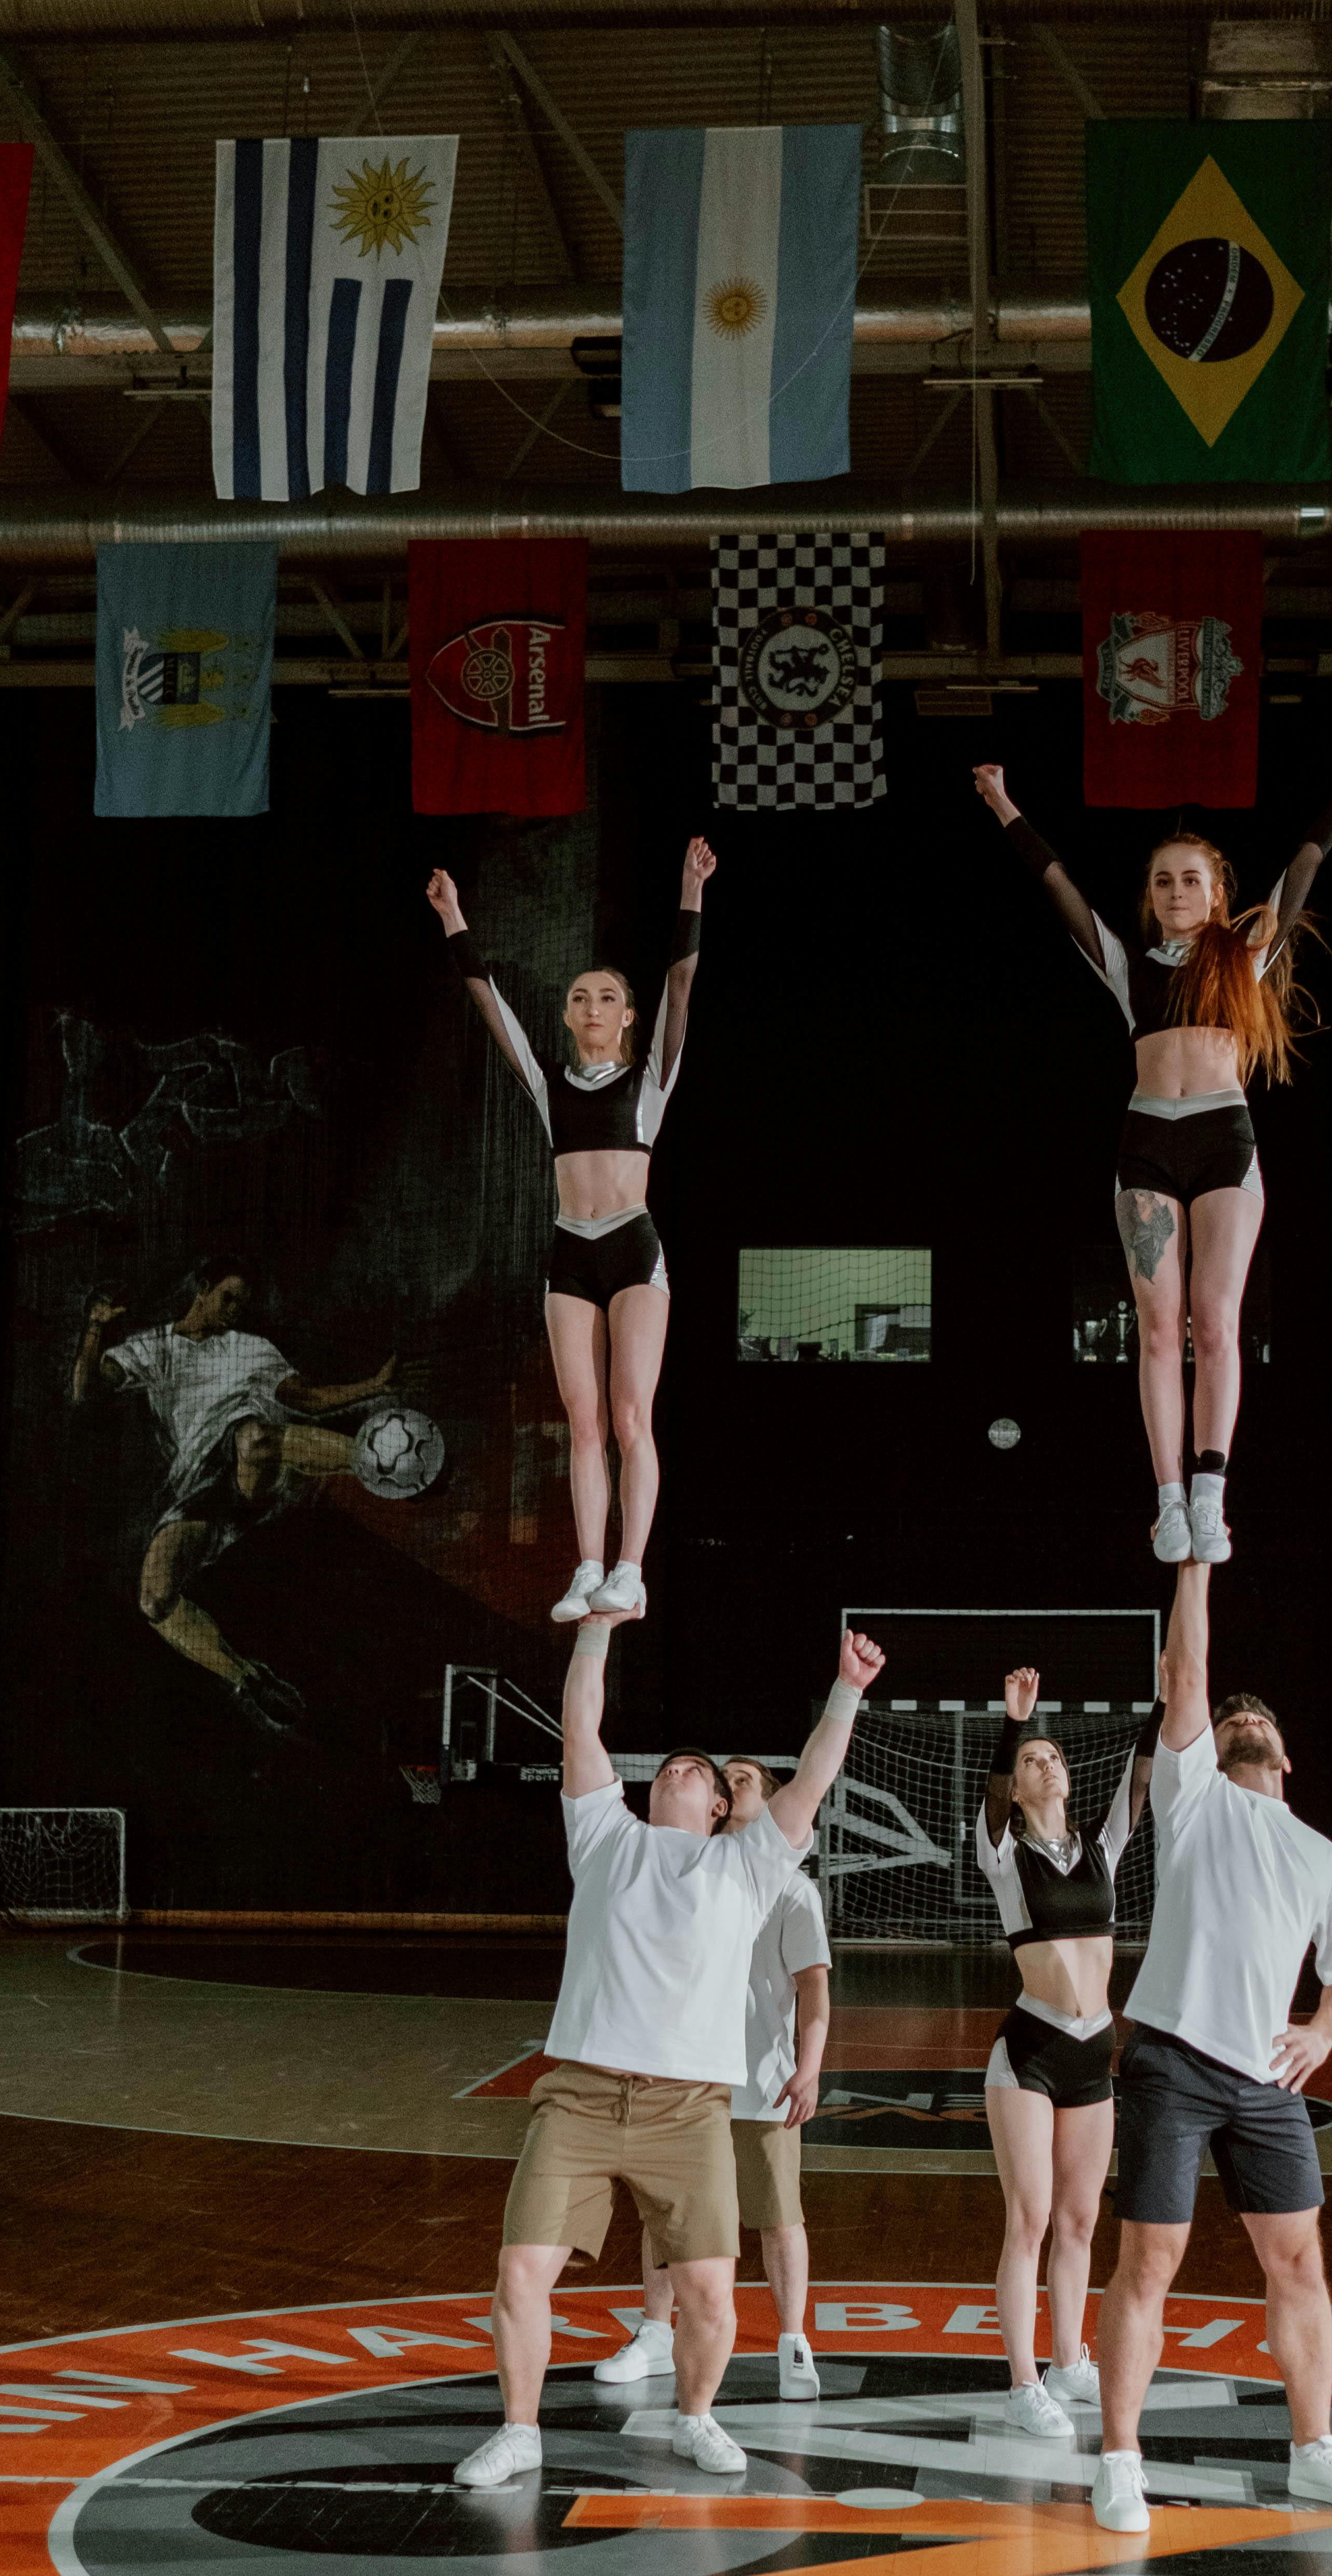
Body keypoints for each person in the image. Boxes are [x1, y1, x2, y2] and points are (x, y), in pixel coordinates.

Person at [455, 1627, 885, 2491]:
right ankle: (520, 2430)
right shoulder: (604, 1838)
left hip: (690, 2108)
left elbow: (812, 1781)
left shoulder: (749, 1867)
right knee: (519, 2272)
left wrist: (847, 1690)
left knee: (712, 2293)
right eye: (670, 1768)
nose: (679, 1773)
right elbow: (582, 1728)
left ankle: (696, 2418)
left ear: (722, 1806)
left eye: (698, 1772)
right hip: (577, 2096)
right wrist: (595, 1632)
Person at [974, 743, 1332, 1565]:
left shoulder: (1246, 954)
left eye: (1191, 878)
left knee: (1217, 1322)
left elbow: (1304, 866)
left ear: (1217, 891)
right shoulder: (1128, 965)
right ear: (1151, 897)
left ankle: (1210, 1494)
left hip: (1224, 1141)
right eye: (1163, 880)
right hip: (1149, 1144)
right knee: (1160, 1332)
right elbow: (1058, 888)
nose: (1176, 891)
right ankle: (1166, 1501)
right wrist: (1002, 804)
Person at [1092, 1560, 1332, 2536]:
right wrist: (1196, 1563)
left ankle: (1314, 2450)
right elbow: (1188, 1671)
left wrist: (1323, 2030)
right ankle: (1121, 2462)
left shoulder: (1321, 1857)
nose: (1247, 1721)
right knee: (1151, 2263)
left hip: (1266, 2081)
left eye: (1261, 1721)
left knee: (1298, 2262)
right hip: (1173, 2063)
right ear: (1210, 1749)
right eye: (1233, 1720)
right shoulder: (1195, 1806)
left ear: (1287, 1757)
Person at [427, 836, 715, 1627]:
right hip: (569, 1252)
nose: (593, 1007)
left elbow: (682, 978)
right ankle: (588, 1566)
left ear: (627, 1018)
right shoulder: (548, 1083)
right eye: (580, 997)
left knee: (630, 1417)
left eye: (607, 998)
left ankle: (632, 1569)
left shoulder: (650, 1077)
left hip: (632, 1248)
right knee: (582, 1421)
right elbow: (488, 1001)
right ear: (566, 1014)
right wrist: (455, 915)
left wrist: (691, 889)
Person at [69, 1256, 407, 1737]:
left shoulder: (251, 1349)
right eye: (228, 1297)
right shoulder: (155, 1347)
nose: (233, 1311)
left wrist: (373, 1386)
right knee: (155, 1598)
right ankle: (247, 1679)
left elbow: (305, 1399)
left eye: (242, 1305)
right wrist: (94, 1331)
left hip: (257, 1467)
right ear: (202, 1289)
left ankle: (383, 1463)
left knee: (255, 1439)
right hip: (202, 1487)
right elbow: (85, 1391)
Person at [596, 1755, 832, 2406]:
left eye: (746, 1778)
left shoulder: (792, 1891)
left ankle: (791, 2341)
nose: (730, 1783)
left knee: (778, 2218)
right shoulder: (682, 1872)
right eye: (722, 1777)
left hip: (761, 2082)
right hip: (684, 2077)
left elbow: (814, 1990)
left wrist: (808, 2067)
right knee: (667, 2210)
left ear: (775, 1802)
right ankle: (653, 2332)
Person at [973, 1669, 1159, 2439]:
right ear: (1016, 1788)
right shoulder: (1000, 1852)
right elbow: (986, 1804)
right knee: (1032, 2217)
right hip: (1031, 2050)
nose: (1043, 1764)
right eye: (1030, 1762)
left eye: (1051, 1756)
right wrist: (1012, 1727)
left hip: (1094, 2053)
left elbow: (1141, 1784)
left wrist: (1161, 1705)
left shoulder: (1101, 1848)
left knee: (1082, 2221)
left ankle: (1066, 2360)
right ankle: (1022, 2385)